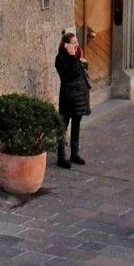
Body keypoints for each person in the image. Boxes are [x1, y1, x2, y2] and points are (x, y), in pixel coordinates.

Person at [54, 30, 90, 168]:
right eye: (74, 43)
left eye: (77, 42)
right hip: (68, 98)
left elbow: (83, 72)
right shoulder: (61, 58)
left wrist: (83, 63)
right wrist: (72, 57)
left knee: (76, 126)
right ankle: (61, 157)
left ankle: (74, 154)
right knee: (63, 126)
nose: (77, 45)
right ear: (66, 45)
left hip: (80, 97)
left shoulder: (77, 55)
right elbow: (72, 74)